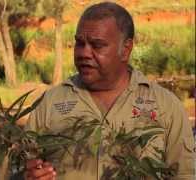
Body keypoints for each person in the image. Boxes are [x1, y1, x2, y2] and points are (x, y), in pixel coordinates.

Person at [24, 2, 195, 180]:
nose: (84, 53)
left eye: (97, 45)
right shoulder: (50, 103)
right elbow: (21, 167)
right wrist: (28, 175)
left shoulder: (166, 106)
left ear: (125, 49)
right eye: (79, 43)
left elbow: (184, 174)